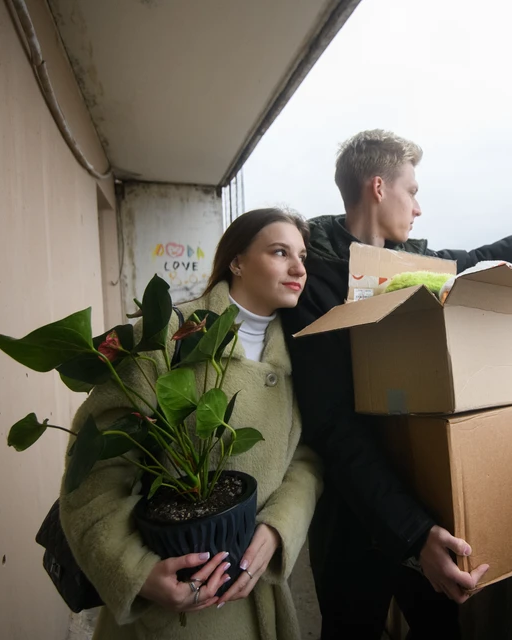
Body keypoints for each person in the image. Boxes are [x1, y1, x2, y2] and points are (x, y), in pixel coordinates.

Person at [280, 129, 512, 639]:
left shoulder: (413, 265)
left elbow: (483, 260)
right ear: (379, 187)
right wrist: (412, 532)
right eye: (412, 191)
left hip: (425, 493)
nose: (418, 207)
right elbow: (332, 424)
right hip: (356, 509)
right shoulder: (314, 277)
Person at [61, 208, 323, 640]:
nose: (299, 268)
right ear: (236, 262)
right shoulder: (167, 336)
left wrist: (279, 528)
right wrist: (137, 572)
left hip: (259, 597)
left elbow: (305, 458)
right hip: (171, 609)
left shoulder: (302, 352)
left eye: (302, 256)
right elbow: (94, 472)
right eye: (280, 252)